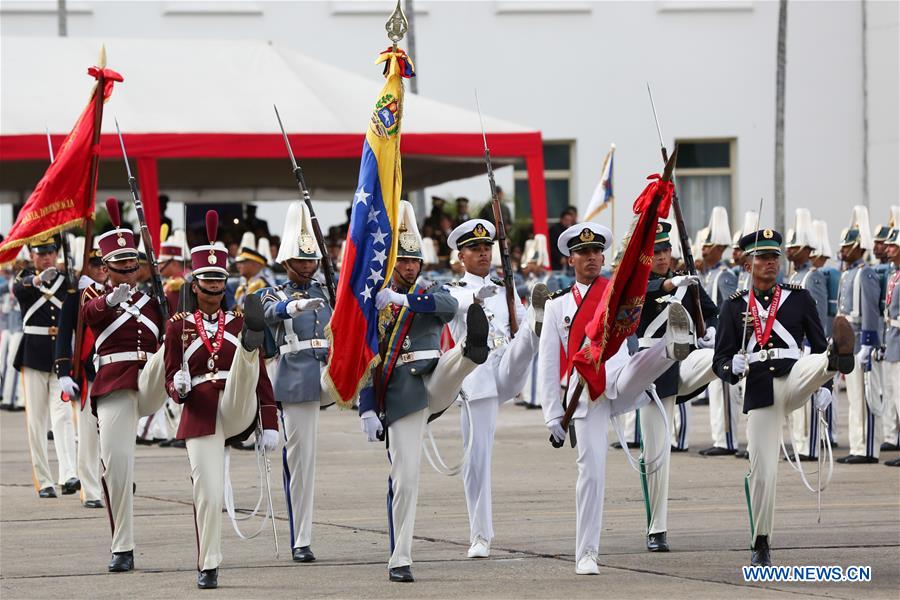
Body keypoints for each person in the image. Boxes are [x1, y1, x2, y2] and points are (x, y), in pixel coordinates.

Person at [538, 220, 694, 575]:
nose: (591, 258)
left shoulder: (618, 291)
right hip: (585, 393)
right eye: (583, 253)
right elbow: (548, 364)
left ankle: (672, 348)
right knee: (591, 472)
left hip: (622, 378)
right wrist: (552, 414)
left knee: (641, 363)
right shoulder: (556, 306)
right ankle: (587, 553)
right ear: (571, 260)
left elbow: (644, 296)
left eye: (596, 252)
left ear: (604, 256)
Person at [357, 201, 490, 582]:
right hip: (401, 392)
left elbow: (449, 307)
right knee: (406, 477)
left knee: (458, 359)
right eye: (404, 261)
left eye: (415, 261)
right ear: (391, 264)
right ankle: (400, 558)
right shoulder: (374, 303)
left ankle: (472, 351)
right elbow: (365, 357)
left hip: (435, 375)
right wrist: (367, 407)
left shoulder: (431, 290)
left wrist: (404, 299)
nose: (411, 267)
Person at [712, 227, 855, 566]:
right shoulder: (734, 308)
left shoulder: (799, 297)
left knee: (819, 360)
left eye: (775, 256)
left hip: (795, 375)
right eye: (762, 257)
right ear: (748, 264)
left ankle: (836, 362)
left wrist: (825, 385)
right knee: (763, 471)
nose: (770, 263)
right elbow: (720, 360)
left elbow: (816, 342)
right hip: (760, 386)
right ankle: (761, 540)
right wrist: (732, 365)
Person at [165, 211, 277, 589]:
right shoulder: (177, 327)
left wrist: (270, 421)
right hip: (200, 410)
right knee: (208, 493)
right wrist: (176, 385)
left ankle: (249, 347)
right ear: (195, 285)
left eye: (219, 280)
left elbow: (262, 378)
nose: (214, 287)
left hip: (237, 405)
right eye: (207, 281)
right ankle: (209, 563)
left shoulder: (239, 319)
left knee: (248, 364)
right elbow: (169, 378)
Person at [445, 218, 549, 559]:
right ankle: (480, 534)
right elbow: (453, 310)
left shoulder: (506, 288)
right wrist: (475, 297)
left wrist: (519, 308)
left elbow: (513, 320)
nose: (483, 253)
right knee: (477, 459)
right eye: (475, 248)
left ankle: (540, 318)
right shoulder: (455, 289)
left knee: (527, 337)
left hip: (508, 365)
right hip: (478, 377)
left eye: (487, 247)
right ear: (461, 255)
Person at [82, 198, 169, 573]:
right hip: (115, 382)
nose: (128, 274)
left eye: (133, 267)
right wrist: (110, 300)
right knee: (117, 467)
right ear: (106, 268)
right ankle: (123, 547)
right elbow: (90, 316)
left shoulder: (154, 303)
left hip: (150, 380)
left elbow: (166, 340)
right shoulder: (93, 296)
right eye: (120, 267)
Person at [635, 222, 719, 552]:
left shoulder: (688, 284)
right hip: (651, 372)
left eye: (664, 250)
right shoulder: (637, 283)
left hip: (685, 361)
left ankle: (730, 365)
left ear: (671, 252)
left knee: (716, 357)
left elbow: (714, 313)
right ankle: (657, 529)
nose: (660, 256)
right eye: (654, 252)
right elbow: (647, 290)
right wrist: (670, 283)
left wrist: (711, 329)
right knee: (656, 453)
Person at [260, 202, 332, 564]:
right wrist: (289, 308)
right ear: (287, 263)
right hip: (298, 375)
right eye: (301, 262)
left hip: (330, 373)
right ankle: (301, 537)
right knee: (302, 461)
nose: (307, 267)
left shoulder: (326, 287)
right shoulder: (275, 292)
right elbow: (262, 311)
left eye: (311, 261)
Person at [12, 235, 79, 498]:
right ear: (32, 255)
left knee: (63, 417)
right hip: (33, 355)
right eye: (40, 253)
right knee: (36, 421)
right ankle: (44, 479)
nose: (46, 257)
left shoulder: (67, 281)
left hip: (59, 357)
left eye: (50, 252)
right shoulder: (24, 279)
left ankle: (69, 473)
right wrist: (38, 280)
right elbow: (21, 288)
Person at [54, 240, 106, 509]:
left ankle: (114, 480)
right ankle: (91, 489)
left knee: (113, 435)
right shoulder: (76, 294)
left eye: (103, 264)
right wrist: (64, 370)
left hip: (114, 369)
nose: (100, 269)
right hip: (88, 371)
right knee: (88, 433)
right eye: (95, 264)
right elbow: (64, 335)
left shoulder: (117, 292)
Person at [835, 206, 883, 464]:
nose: (842, 251)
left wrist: (867, 344)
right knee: (854, 399)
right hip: (847, 343)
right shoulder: (848, 273)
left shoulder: (865, 273)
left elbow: (870, 311)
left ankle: (867, 449)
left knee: (865, 399)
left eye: (846, 247)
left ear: (858, 247)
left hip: (860, 343)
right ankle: (857, 446)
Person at [784, 210, 831, 461]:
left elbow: (819, 315)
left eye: (794, 247)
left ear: (806, 249)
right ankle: (800, 444)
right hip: (795, 344)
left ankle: (810, 447)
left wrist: (817, 347)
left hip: (808, 344)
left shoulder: (812, 276)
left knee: (812, 394)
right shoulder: (794, 276)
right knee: (796, 398)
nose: (789, 251)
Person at [698, 207, 740, 456]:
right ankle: (719, 439)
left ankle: (727, 440)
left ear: (720, 248)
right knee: (715, 392)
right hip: (711, 343)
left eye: (709, 245)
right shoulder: (710, 275)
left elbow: (729, 311)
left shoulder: (724, 276)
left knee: (724, 393)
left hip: (724, 343)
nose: (704, 249)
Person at [881, 226, 900, 466]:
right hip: (893, 341)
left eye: (892, 246)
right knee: (896, 399)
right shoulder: (894, 275)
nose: (888, 249)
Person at [235, 232, 275, 309]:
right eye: (238, 263)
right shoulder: (245, 284)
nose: (238, 266)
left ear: (255, 264)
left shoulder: (262, 286)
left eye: (243, 262)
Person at [548, 206, 578, 271]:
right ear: (561, 219)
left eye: (569, 221)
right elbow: (551, 246)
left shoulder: (571, 230)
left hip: (569, 262)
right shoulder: (554, 230)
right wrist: (559, 258)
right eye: (566, 220)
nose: (568, 222)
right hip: (556, 263)